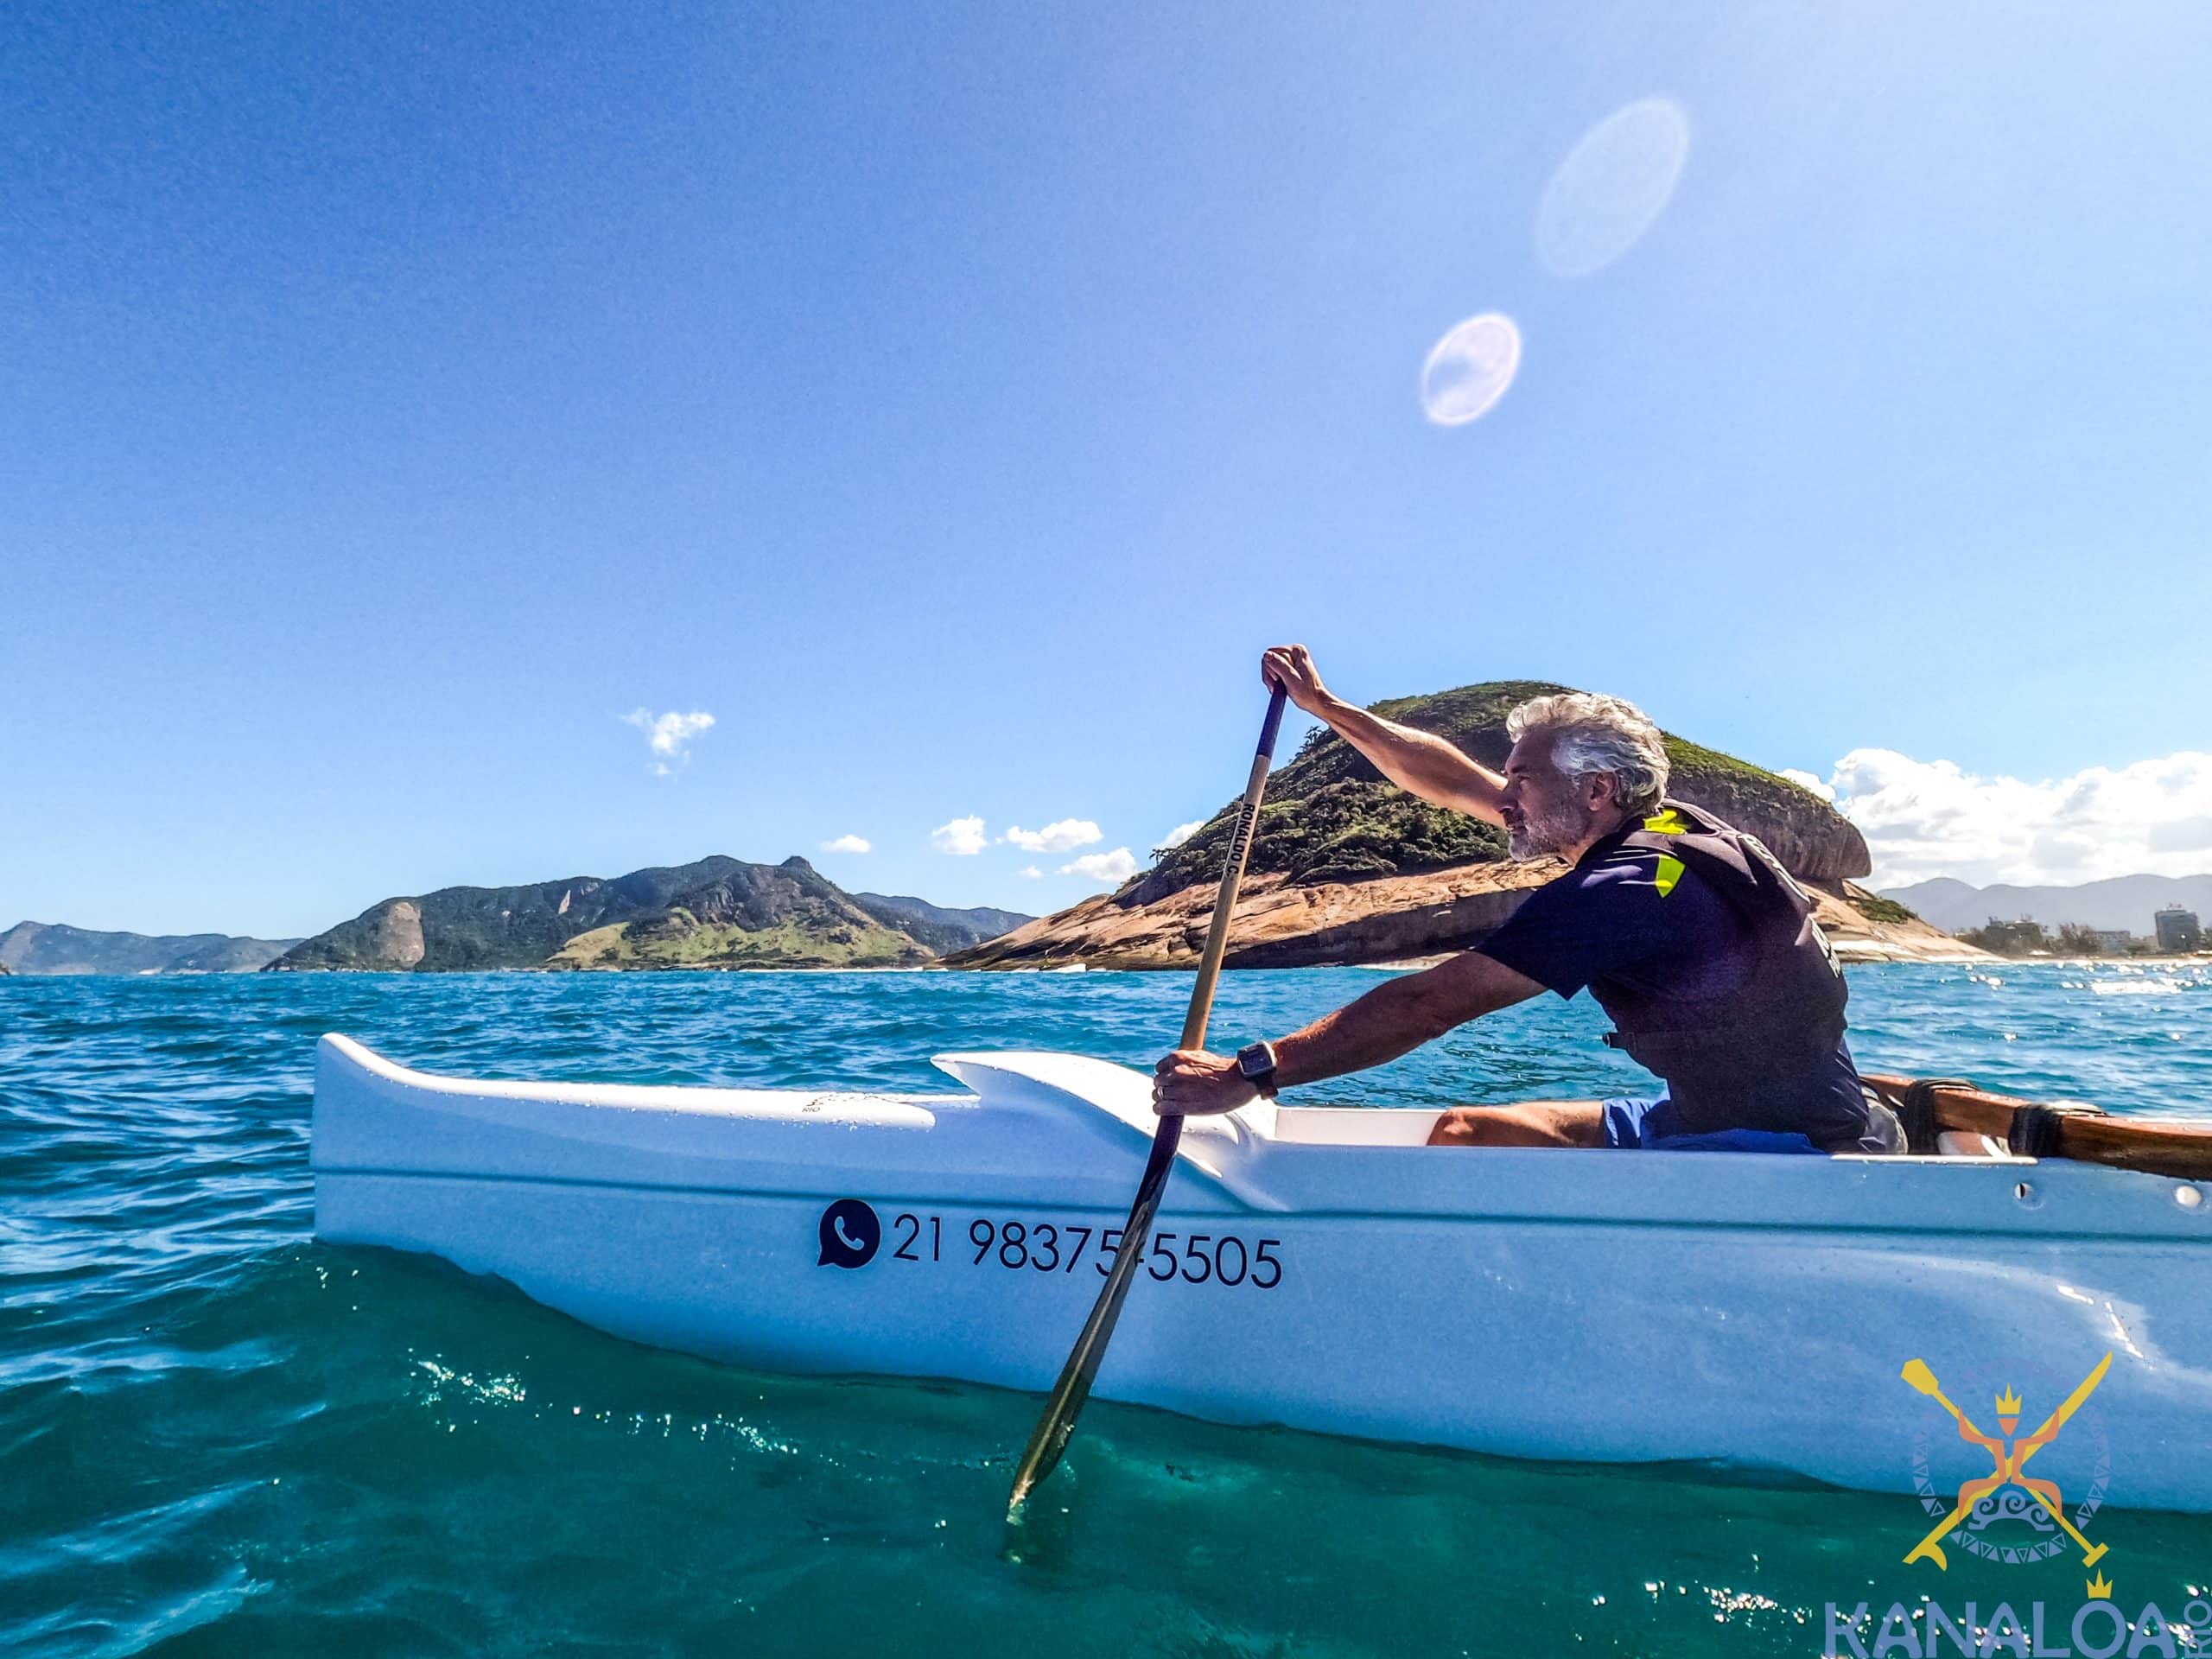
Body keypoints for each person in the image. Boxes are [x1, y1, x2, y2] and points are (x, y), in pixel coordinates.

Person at [1152, 645, 1904, 1154]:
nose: (1503, 798)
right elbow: (1451, 781)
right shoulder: (1682, 831)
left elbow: (1430, 1005)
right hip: (1777, 1112)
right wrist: (1327, 708)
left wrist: (1244, 1074)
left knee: (1463, 1137)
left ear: (1597, 789)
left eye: (1521, 780)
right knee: (1480, 1126)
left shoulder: (1625, 889)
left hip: (1772, 1149)